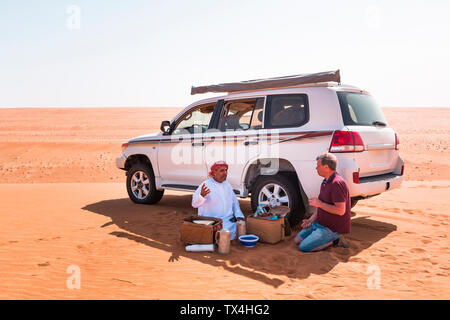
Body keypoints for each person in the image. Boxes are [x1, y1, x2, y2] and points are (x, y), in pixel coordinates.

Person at [294, 153, 351, 252]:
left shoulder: (336, 183)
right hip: (319, 224)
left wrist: (319, 204)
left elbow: (341, 211)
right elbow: (320, 206)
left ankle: (336, 240)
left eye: (318, 165)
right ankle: (318, 233)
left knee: (303, 247)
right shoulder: (325, 181)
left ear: (326, 167)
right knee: (296, 240)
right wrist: (310, 221)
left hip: (331, 229)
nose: (316, 168)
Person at [192, 161, 245, 240]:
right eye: (222, 171)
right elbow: (194, 204)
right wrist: (201, 196)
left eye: (226, 170)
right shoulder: (206, 185)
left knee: (240, 228)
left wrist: (239, 216)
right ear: (214, 172)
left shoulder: (227, 185)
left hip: (227, 221)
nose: (225, 173)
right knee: (217, 236)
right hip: (212, 221)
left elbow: (234, 202)